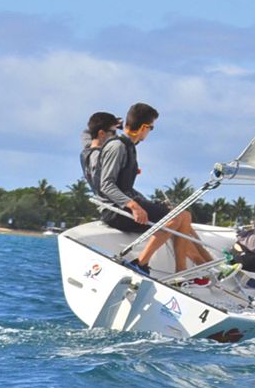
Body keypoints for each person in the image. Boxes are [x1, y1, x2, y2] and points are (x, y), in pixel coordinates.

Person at [91, 102, 212, 275]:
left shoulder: (129, 146)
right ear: (143, 127)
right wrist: (134, 206)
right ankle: (140, 263)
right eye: (151, 128)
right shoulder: (117, 146)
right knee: (175, 218)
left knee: (184, 215)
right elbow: (106, 185)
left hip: (126, 205)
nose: (149, 132)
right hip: (116, 211)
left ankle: (181, 272)